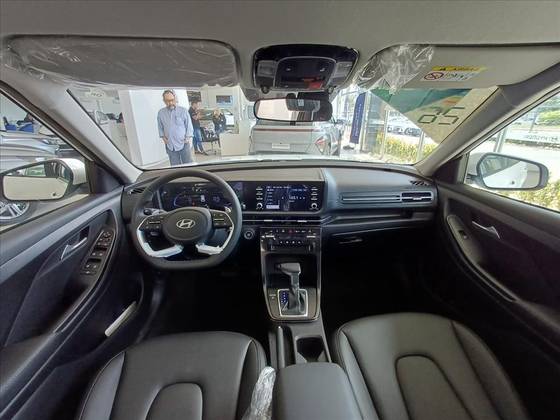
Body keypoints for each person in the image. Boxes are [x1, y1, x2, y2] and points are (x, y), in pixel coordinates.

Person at [157, 90, 194, 166]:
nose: (170, 103)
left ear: (175, 98)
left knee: (188, 165)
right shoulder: (161, 113)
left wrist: (187, 138)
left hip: (184, 144)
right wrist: (164, 139)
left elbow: (189, 126)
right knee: (175, 167)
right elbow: (160, 127)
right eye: (167, 101)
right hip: (170, 146)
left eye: (172, 100)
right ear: (164, 101)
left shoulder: (183, 111)